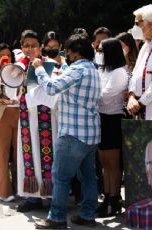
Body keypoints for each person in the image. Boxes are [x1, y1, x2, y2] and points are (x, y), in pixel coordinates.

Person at [33, 34, 101, 229]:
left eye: (68, 51)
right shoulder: (93, 70)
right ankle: (88, 215)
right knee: (89, 177)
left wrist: (39, 69)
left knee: (61, 177)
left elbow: (52, 88)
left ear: (75, 51)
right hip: (91, 134)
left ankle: (56, 218)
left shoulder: (77, 70)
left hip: (72, 134)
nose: (67, 55)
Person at [15, 29, 57, 212]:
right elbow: (11, 91)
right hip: (27, 117)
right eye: (26, 45)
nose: (30, 49)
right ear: (21, 47)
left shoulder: (51, 64)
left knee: (49, 154)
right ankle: (32, 197)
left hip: (47, 116)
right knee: (28, 155)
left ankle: (49, 196)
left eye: (33, 45)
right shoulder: (17, 66)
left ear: (41, 47)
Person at [95, 38, 128, 217]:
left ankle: (114, 199)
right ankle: (107, 197)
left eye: (101, 50)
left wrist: (92, 96)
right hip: (101, 118)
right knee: (104, 163)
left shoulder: (119, 73)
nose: (98, 53)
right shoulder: (103, 71)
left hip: (113, 119)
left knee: (113, 164)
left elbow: (104, 96)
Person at [0, 43, 20, 202]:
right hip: (1, 117)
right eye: (2, 55)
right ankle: (5, 192)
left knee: (19, 155)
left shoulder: (19, 72)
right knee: (2, 156)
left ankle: (21, 189)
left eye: (8, 55)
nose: (5, 58)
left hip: (19, 115)